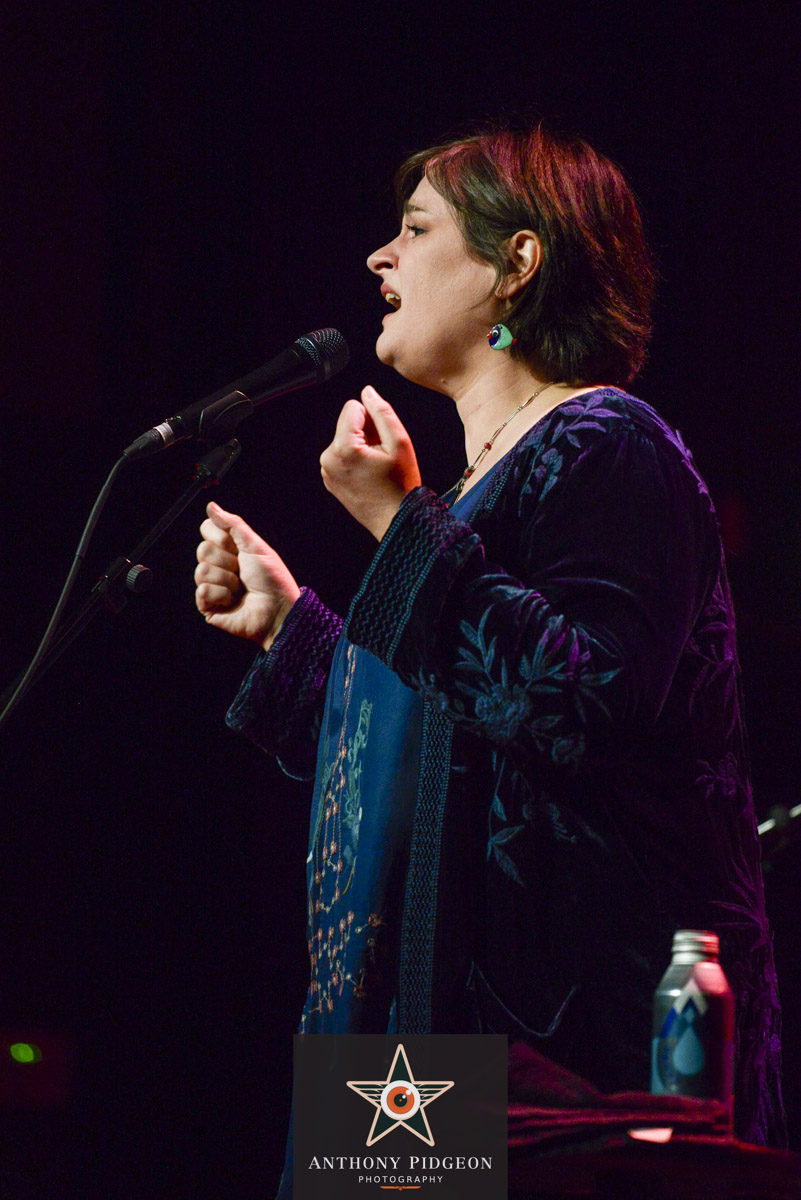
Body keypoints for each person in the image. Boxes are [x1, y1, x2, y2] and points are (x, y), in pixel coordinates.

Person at [194, 125, 785, 1166]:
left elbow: (576, 702)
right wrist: (293, 631)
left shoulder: (611, 444)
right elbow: (431, 761)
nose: (380, 258)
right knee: (339, 1171)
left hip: (578, 1074)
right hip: (436, 1059)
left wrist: (400, 526)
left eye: (417, 230)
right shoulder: (474, 494)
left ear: (517, 263)